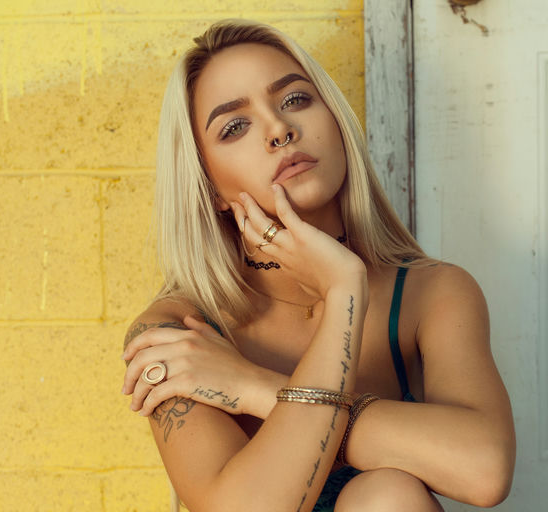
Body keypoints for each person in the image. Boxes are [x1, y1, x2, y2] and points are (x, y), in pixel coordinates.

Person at [120, 19, 515, 512]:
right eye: (234, 126)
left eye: (295, 100)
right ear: (210, 185)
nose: (279, 129)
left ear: (336, 122)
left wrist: (260, 384)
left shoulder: (432, 293)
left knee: (386, 496)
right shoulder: (176, 332)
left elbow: (485, 470)